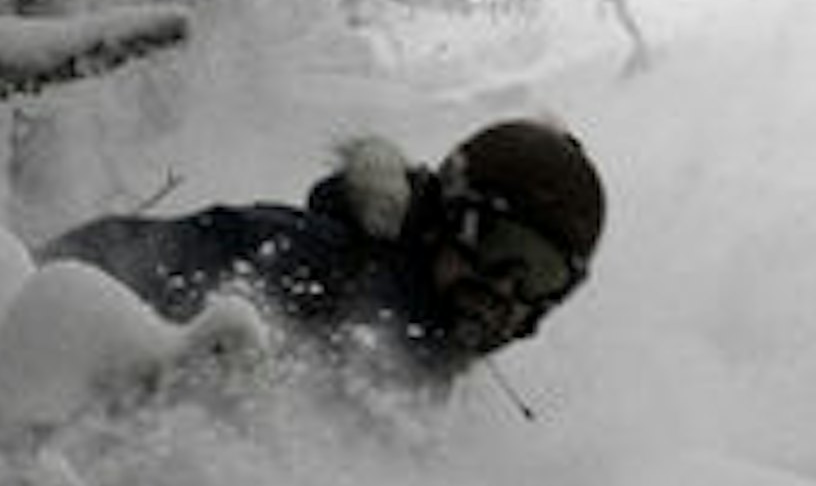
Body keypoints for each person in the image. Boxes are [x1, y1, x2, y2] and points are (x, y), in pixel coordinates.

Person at [41, 118, 606, 387]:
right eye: (502, 248)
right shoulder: (310, 262)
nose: (506, 288)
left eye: (542, 275)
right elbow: (87, 270)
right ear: (449, 217)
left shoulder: (426, 345)